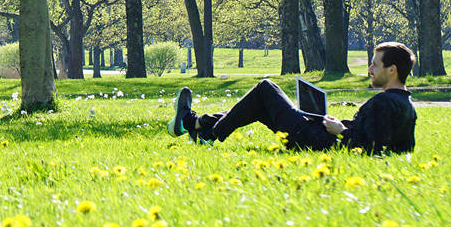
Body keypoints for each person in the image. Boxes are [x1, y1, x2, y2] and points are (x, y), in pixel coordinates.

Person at [169, 42, 417, 154]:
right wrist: (339, 125)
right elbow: (404, 149)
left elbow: (374, 148)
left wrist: (340, 130)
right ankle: (194, 125)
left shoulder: (384, 103)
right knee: (260, 106)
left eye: (375, 65)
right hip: (316, 135)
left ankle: (204, 130)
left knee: (266, 87)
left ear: (392, 69)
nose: (370, 70)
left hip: (311, 139)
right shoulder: (406, 105)